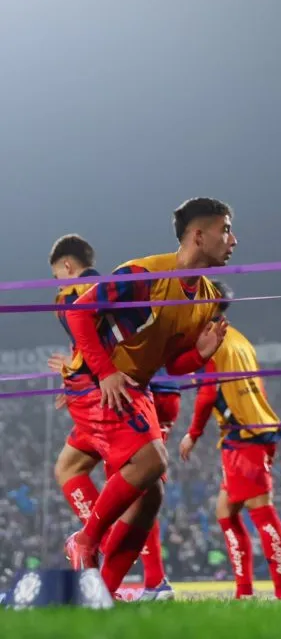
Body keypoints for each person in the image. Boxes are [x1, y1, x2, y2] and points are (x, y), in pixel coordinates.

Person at [61, 197, 233, 596]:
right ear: (198, 235)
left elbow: (172, 365)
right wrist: (104, 372)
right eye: (225, 229)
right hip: (92, 379)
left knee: (152, 494)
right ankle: (84, 541)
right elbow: (79, 314)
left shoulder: (205, 300)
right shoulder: (144, 273)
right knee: (153, 459)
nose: (233, 239)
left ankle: (100, 594)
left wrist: (198, 355)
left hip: (134, 386)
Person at [48, 234, 174, 600]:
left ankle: (98, 555)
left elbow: (86, 331)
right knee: (72, 470)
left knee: (140, 484)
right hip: (131, 387)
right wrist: (75, 372)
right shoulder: (114, 286)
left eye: (57, 276)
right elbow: (100, 338)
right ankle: (106, 579)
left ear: (68, 268)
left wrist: (81, 374)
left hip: (112, 395)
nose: (58, 285)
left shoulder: (74, 293)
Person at [179, 280, 281, 600]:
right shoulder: (239, 338)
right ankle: (244, 591)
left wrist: (193, 434)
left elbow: (207, 392)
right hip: (252, 431)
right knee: (225, 511)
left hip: (245, 436)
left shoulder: (210, 339)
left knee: (261, 511)